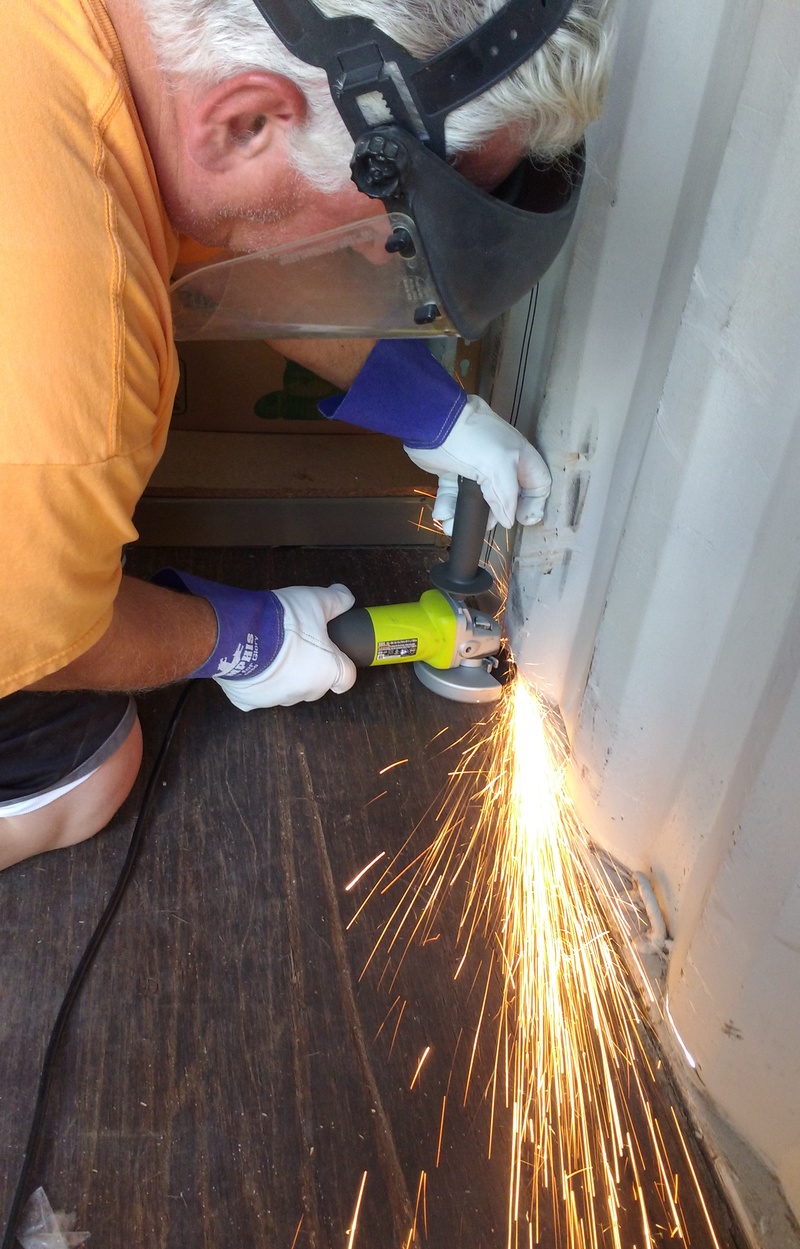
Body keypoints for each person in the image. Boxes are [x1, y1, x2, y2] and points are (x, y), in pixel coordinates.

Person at [0, 0, 614, 869]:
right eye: (381, 209)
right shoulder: (68, 376)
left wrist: (435, 409)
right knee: (83, 776)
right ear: (246, 118)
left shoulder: (127, 67)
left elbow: (234, 245)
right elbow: (43, 638)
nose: (376, 252)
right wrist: (235, 638)